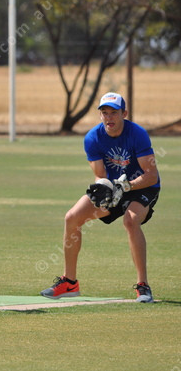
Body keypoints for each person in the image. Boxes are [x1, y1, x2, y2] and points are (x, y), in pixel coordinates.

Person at [41, 92, 160, 303]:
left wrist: (127, 185)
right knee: (72, 218)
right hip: (114, 188)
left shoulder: (137, 134)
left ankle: (143, 286)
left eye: (113, 113)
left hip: (142, 187)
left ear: (124, 113)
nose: (108, 117)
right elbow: (100, 174)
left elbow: (151, 175)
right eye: (104, 113)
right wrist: (105, 187)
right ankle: (69, 282)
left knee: (130, 221)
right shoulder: (93, 138)